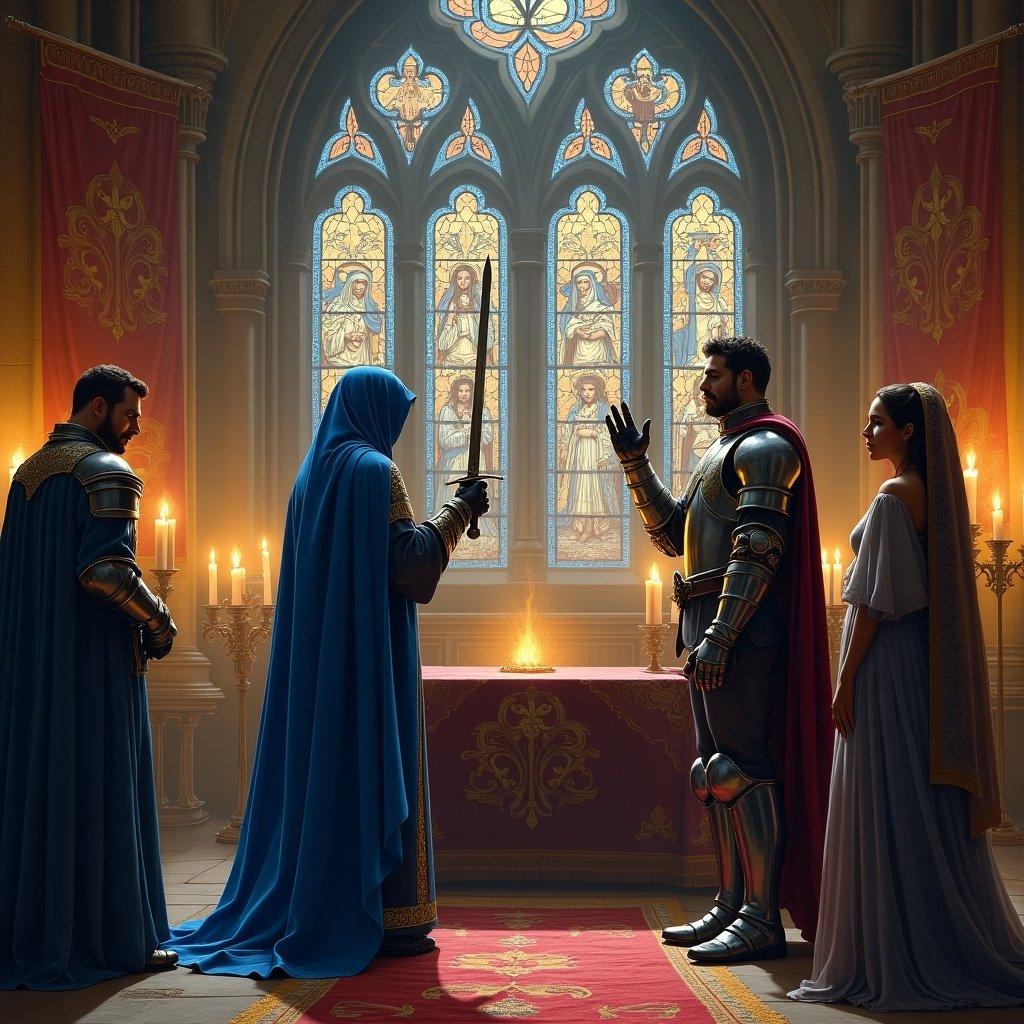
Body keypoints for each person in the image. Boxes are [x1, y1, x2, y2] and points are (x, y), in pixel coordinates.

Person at [169, 366, 489, 977]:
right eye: (395, 415)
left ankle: (332, 899)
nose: (396, 429)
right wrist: (456, 513)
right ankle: (390, 918)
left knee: (327, 769)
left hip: (320, 659)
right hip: (369, 654)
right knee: (372, 761)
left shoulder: (310, 474)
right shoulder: (375, 471)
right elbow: (409, 569)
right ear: (373, 412)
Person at [789, 383, 1024, 1011]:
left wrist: (844, 681)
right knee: (904, 794)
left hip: (886, 662)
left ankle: (893, 948)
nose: (867, 434)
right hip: (914, 660)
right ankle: (918, 933)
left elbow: (872, 604)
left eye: (877, 423)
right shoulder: (927, 496)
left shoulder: (895, 497)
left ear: (909, 431)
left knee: (885, 789)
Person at [606, 337, 832, 963]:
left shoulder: (765, 447)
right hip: (707, 620)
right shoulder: (722, 449)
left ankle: (761, 916)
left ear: (749, 381)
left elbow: (758, 549)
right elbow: (677, 535)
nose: (704, 386)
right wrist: (635, 465)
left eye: (715, 375)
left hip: (741, 630)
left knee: (745, 771)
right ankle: (731, 900)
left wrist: (723, 634)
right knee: (713, 774)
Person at [0, 364, 177, 989]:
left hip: (34, 664)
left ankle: (41, 930)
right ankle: (112, 936)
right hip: (92, 663)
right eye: (128, 415)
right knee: (100, 782)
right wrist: (158, 622)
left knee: (42, 784)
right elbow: (104, 570)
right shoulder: (105, 472)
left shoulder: (27, 476)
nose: (132, 430)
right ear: (97, 407)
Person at [561, 373, 618, 542]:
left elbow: (610, 434)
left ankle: (596, 527)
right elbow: (567, 433)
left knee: (596, 488)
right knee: (581, 488)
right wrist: (574, 436)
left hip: (596, 454)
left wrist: (594, 433)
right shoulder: (575, 410)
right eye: (584, 389)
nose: (587, 393)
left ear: (597, 391)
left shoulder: (604, 409)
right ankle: (585, 527)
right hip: (579, 454)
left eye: (591, 389)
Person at [322, 267, 382, 367]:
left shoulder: (368, 305)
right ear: (350, 286)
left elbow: (375, 324)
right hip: (341, 350)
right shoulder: (339, 301)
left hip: (362, 348)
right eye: (357, 288)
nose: (359, 290)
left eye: (362, 289)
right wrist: (344, 327)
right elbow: (327, 323)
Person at [559, 267, 618, 366]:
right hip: (579, 349)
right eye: (579, 282)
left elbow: (607, 327)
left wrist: (593, 335)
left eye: (585, 282)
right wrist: (576, 330)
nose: (582, 286)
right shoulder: (573, 307)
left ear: (592, 284)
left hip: (598, 348)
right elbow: (566, 324)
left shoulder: (601, 307)